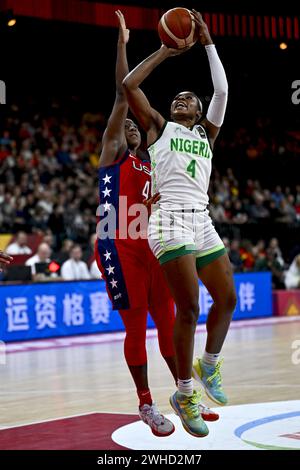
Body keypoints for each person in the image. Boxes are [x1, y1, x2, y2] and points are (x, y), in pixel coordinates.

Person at [95, 11, 219, 437]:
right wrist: (122, 46)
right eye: (126, 123)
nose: (131, 124)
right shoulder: (113, 150)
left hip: (151, 245)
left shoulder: (156, 159)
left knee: (170, 325)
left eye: (135, 124)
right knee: (136, 328)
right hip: (117, 245)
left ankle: (186, 398)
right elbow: (122, 91)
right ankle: (146, 404)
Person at [123, 10, 236, 437]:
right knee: (188, 308)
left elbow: (222, 89)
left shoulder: (207, 134)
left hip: (201, 219)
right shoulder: (159, 126)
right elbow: (130, 86)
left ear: (201, 110)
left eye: (189, 98)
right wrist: (165, 52)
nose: (181, 100)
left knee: (227, 299)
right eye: (178, 98)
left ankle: (208, 367)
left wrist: (207, 42)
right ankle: (185, 392)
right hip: (168, 220)